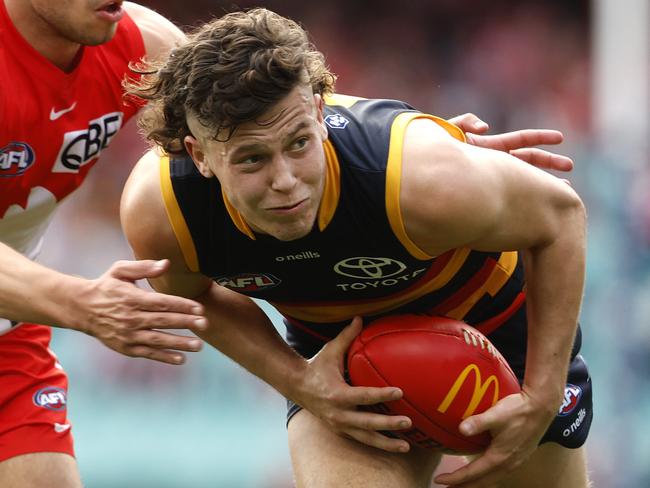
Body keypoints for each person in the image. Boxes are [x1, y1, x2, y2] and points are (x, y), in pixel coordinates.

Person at [122, 8, 591, 487]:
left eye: (299, 143)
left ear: (320, 115)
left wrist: (542, 393)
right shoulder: (163, 213)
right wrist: (298, 379)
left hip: (494, 330)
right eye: (252, 159)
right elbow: (195, 294)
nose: (285, 181)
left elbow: (560, 217)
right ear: (199, 155)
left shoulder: (419, 180)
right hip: (343, 350)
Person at [0, 1, 214, 487]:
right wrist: (82, 302)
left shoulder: (144, 46)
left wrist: (303, 377)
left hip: (9, 331)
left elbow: (267, 133)